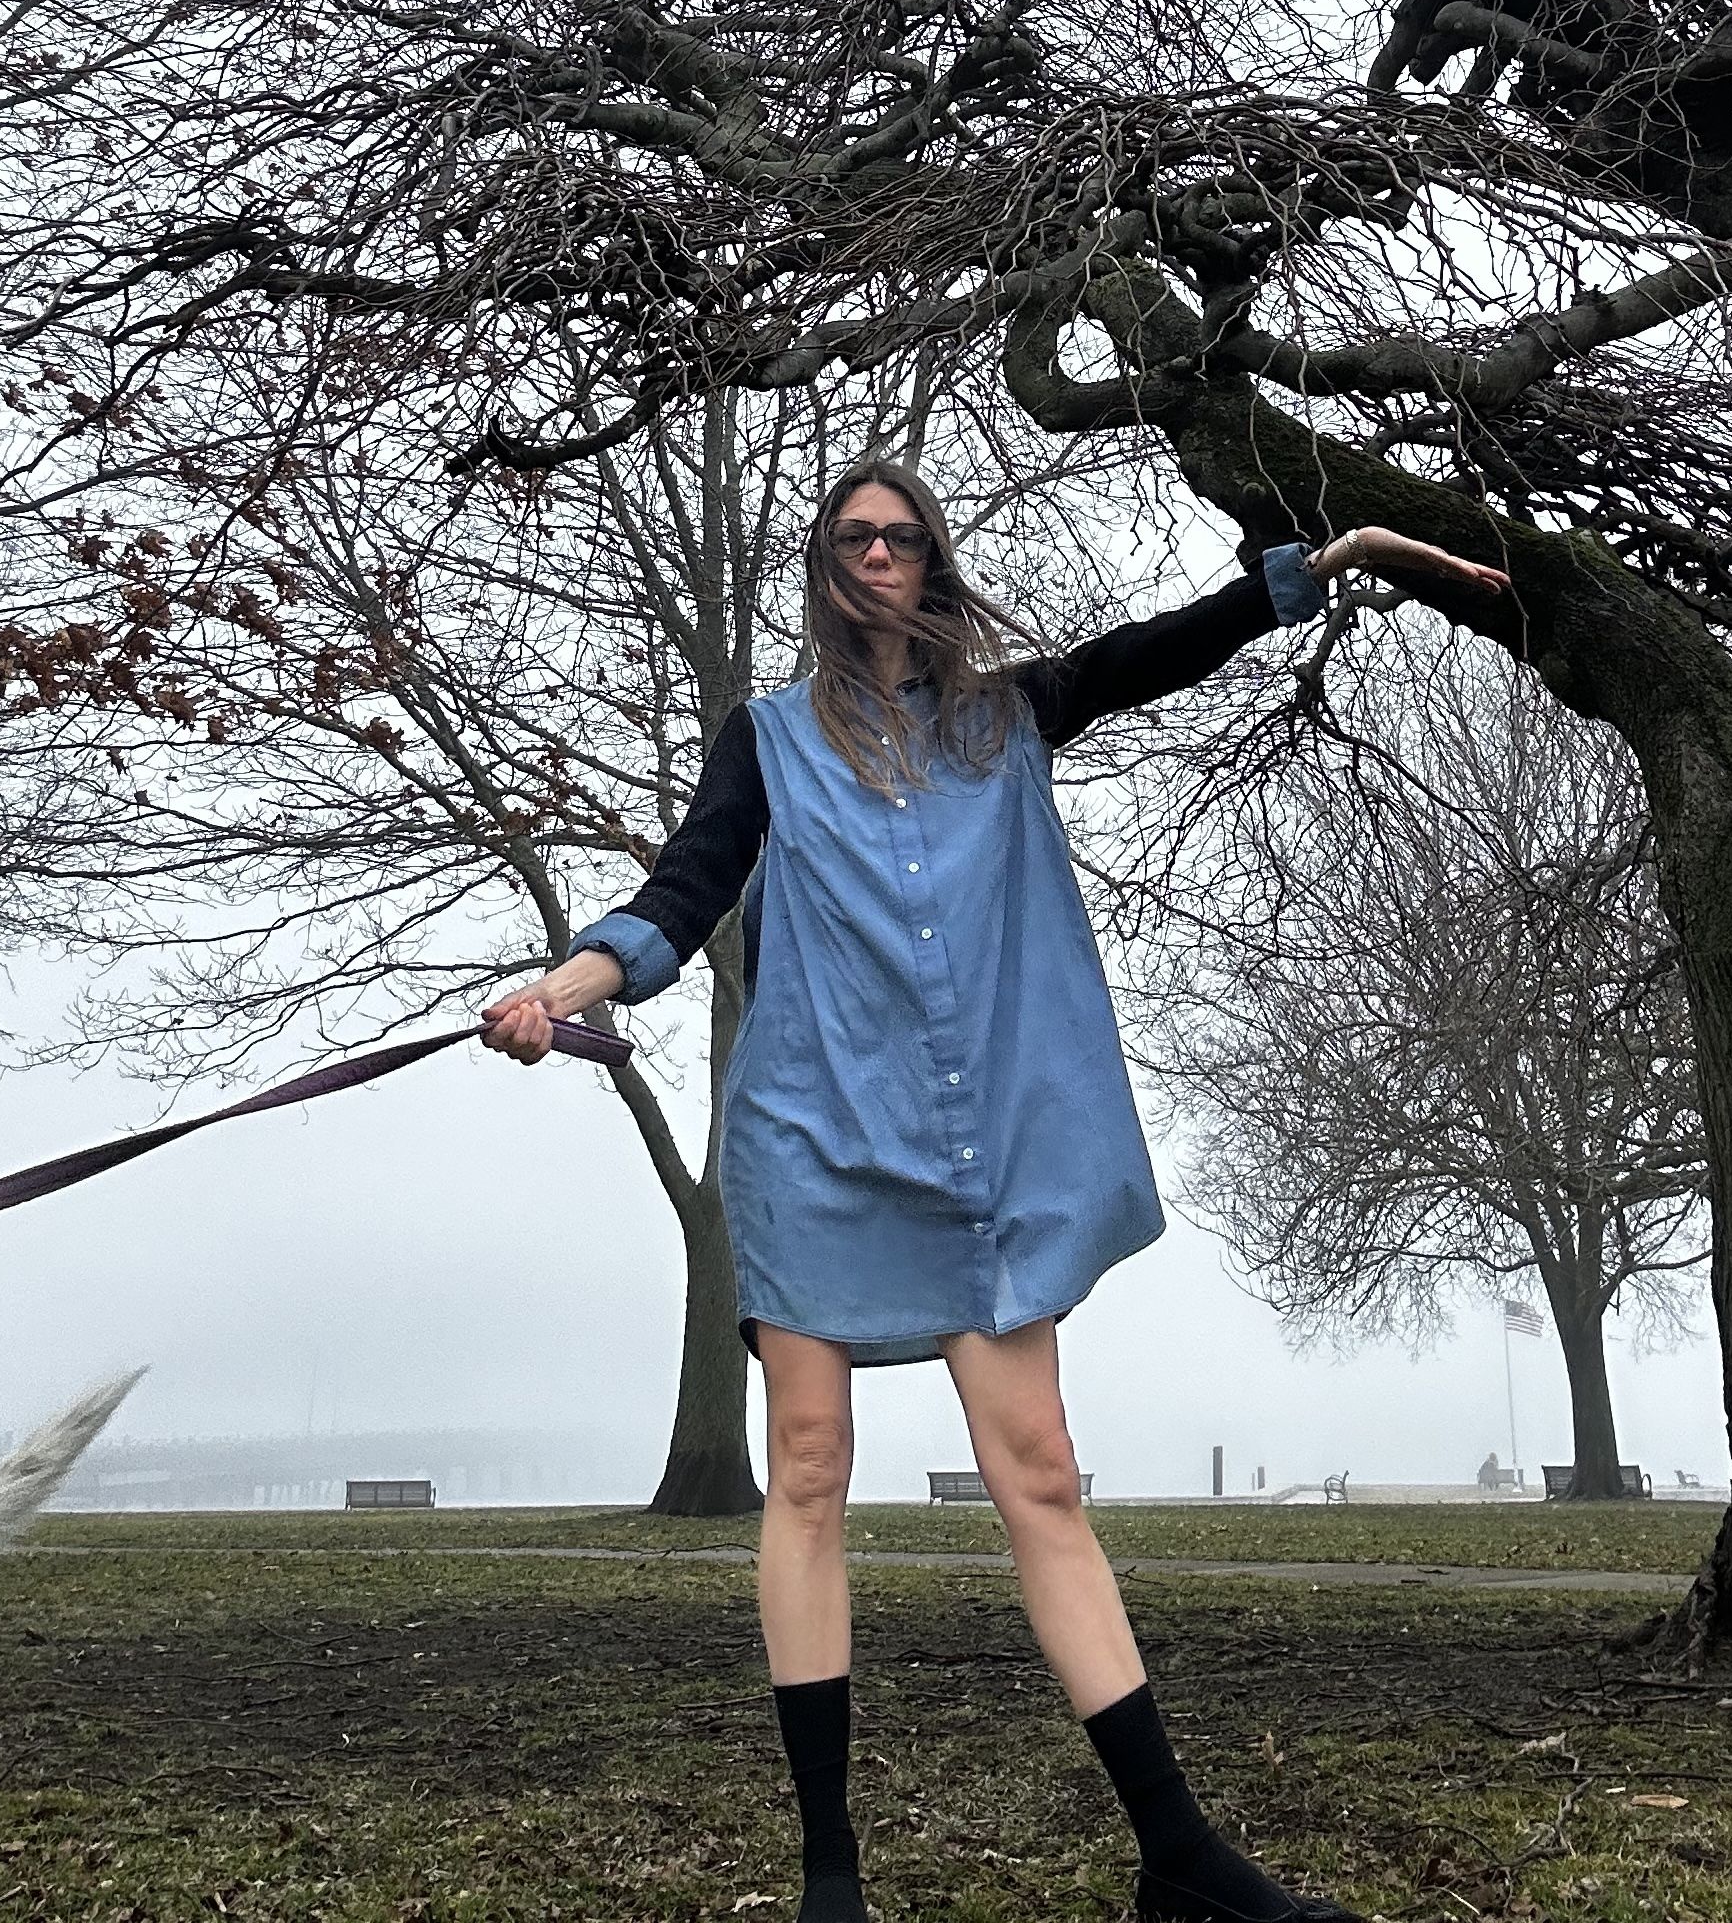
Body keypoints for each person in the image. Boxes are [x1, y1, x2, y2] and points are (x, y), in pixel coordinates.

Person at [485, 458, 1507, 1923]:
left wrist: (1313, 566)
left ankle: (1182, 1863)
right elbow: (681, 890)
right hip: (814, 1144)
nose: (882, 556)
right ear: (826, 566)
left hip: (977, 1162)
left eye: (905, 537)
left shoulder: (1003, 718)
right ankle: (832, 1878)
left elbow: (1149, 656)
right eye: (855, 538)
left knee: (1040, 1474)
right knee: (815, 1470)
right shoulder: (767, 738)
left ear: (933, 559)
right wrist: (564, 986)